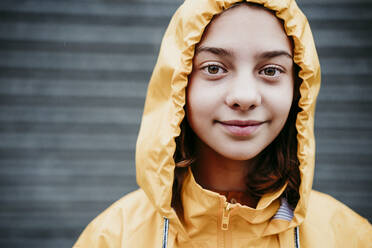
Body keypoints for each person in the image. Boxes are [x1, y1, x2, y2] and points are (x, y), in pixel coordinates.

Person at [73, 1, 372, 247]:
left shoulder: (349, 237)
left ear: (299, 88)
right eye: (214, 68)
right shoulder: (113, 237)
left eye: (270, 70)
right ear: (178, 84)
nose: (244, 96)